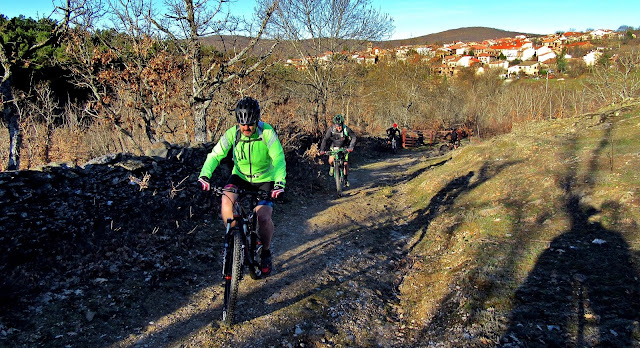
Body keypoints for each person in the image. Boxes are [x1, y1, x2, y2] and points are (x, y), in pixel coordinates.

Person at [198, 97, 286, 276]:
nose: (246, 128)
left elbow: (278, 159)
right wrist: (205, 175)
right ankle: (233, 241)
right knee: (226, 201)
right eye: (242, 124)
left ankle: (266, 252)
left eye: (250, 124)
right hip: (240, 176)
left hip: (265, 179)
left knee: (263, 218)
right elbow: (215, 155)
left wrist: (279, 182)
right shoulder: (233, 133)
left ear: (257, 120)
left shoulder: (267, 133)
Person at [319, 114, 356, 187]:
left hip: (344, 147)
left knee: (345, 164)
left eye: (340, 126)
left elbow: (354, 137)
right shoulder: (331, 129)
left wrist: (351, 147)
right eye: (336, 126)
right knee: (330, 161)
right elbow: (325, 139)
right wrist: (322, 149)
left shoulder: (346, 129)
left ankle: (345, 179)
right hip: (334, 147)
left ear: (342, 124)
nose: (338, 127)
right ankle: (332, 167)